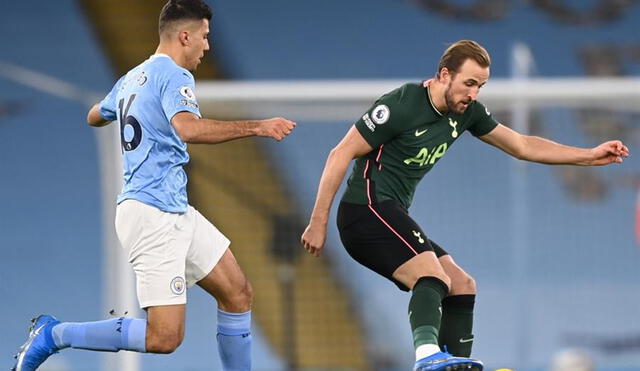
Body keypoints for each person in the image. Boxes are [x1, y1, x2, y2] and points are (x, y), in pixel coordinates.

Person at [300, 40, 629, 371]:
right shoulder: (401, 104)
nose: (474, 93)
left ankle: (452, 365)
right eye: (469, 83)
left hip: (390, 213)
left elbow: (522, 145)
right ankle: (428, 357)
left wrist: (588, 156)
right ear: (445, 75)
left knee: (461, 284)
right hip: (365, 211)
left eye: (481, 86)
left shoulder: (468, 112)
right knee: (432, 276)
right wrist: (318, 222)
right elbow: (339, 153)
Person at [12, 1, 295, 370]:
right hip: (152, 215)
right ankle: (54, 334)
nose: (207, 46)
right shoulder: (175, 75)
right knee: (164, 339)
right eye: (205, 37)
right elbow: (188, 128)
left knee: (237, 292)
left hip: (174, 209)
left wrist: (130, 107)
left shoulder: (133, 77)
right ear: (185, 36)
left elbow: (94, 115)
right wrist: (258, 127)